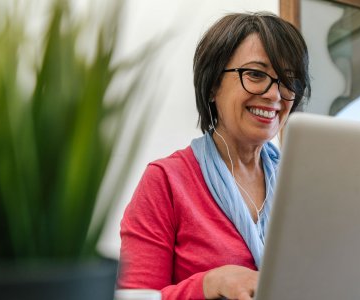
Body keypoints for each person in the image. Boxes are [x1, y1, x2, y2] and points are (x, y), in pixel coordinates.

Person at [117, 12, 311, 299]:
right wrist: (209, 284)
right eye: (256, 74)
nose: (275, 95)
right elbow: (133, 297)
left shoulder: (301, 182)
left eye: (288, 80)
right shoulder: (166, 182)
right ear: (211, 87)